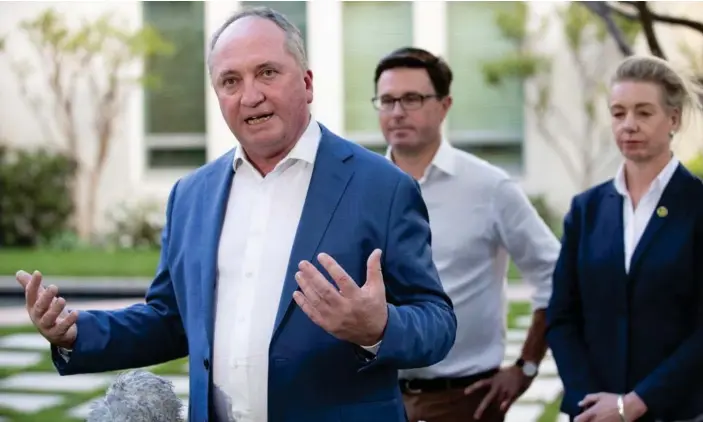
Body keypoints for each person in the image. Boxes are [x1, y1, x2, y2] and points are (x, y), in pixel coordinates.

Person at [15, 7, 458, 422]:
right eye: (230, 81)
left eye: (267, 72)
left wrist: (377, 326)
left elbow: (437, 322)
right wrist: (75, 333)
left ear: (306, 83)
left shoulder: (382, 186)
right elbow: (172, 319)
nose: (250, 95)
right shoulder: (191, 195)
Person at [372, 47, 560, 422]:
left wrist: (525, 368)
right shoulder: (363, 186)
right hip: (376, 396)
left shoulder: (489, 187)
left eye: (412, 99)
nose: (397, 112)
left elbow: (556, 275)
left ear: (445, 105)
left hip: (465, 401)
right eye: (387, 100)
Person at [546, 54, 703, 422]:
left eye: (644, 113)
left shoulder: (697, 206)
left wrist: (634, 403)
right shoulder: (587, 209)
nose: (628, 125)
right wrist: (592, 402)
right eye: (618, 113)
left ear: (673, 119)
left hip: (676, 411)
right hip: (593, 414)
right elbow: (562, 316)